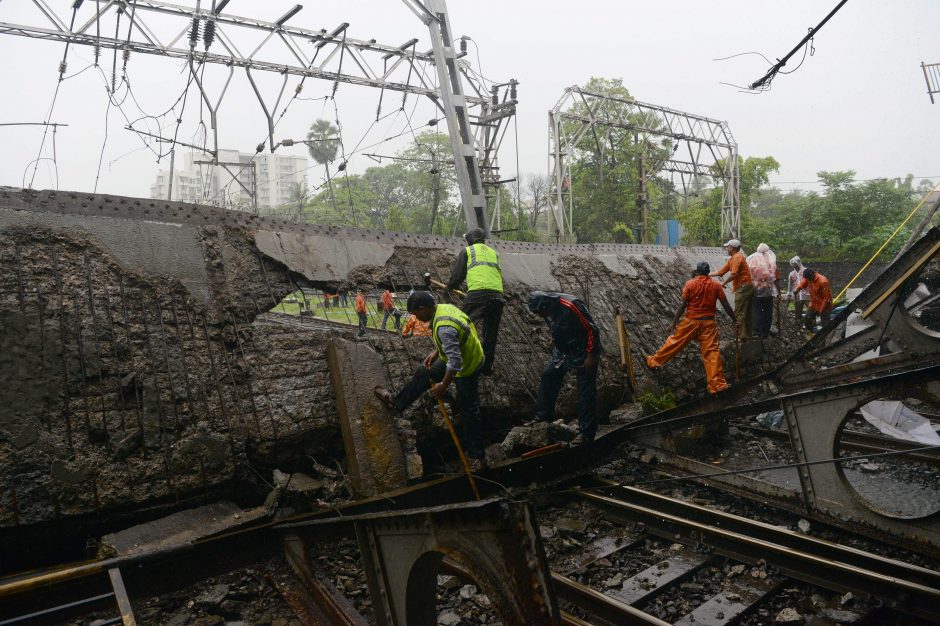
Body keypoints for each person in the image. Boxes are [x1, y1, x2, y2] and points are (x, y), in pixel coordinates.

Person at [373, 291, 487, 470]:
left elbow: (455, 362)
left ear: (423, 308)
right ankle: (397, 401)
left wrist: (443, 385)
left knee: (469, 410)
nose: (416, 318)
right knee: (425, 372)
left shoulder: (443, 327)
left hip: (468, 365)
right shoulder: (443, 309)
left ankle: (477, 457)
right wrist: (436, 353)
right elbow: (452, 343)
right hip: (461, 353)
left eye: (416, 314)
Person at [646, 262, 737, 395]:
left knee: (675, 342)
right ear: (708, 272)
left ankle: (654, 361)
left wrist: (674, 322)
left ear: (697, 271)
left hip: (691, 321)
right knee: (712, 353)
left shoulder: (690, 284)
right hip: (709, 323)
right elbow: (726, 305)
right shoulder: (716, 285)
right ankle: (717, 385)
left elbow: (683, 305)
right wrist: (734, 320)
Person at [526, 291, 603, 446]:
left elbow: (591, 330)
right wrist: (555, 339)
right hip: (563, 350)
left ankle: (586, 434)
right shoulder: (547, 310)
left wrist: (591, 355)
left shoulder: (571, 305)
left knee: (585, 391)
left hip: (583, 349)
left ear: (546, 305)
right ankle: (542, 417)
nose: (541, 316)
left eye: (541, 312)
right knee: (549, 375)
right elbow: (557, 326)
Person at [447, 227, 504, 375]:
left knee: (461, 326)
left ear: (470, 239)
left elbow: (457, 276)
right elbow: (490, 274)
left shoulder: (468, 251)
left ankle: (456, 362)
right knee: (491, 333)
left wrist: (449, 288)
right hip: (497, 296)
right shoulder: (494, 253)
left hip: (478, 294)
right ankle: (486, 368)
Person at [710, 238, 754, 340]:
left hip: (743, 288)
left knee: (739, 312)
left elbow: (734, 274)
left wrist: (724, 283)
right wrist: (706, 274)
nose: (726, 249)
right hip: (746, 287)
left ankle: (741, 337)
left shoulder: (737, 257)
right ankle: (747, 336)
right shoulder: (733, 258)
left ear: (732, 248)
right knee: (746, 312)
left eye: (728, 247)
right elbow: (720, 272)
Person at [747, 243, 781, 339]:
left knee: (756, 311)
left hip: (755, 290)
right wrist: (778, 293)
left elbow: (748, 275)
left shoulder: (752, 259)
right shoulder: (772, 261)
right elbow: (776, 279)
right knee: (767, 312)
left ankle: (756, 332)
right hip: (768, 291)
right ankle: (765, 332)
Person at [785, 256, 810, 322]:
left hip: (807, 294)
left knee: (811, 310)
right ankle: (799, 324)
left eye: (795, 265)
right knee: (798, 312)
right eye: (793, 265)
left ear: (798, 263)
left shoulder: (805, 271)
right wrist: (789, 294)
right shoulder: (792, 274)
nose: (794, 267)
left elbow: (811, 283)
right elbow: (790, 285)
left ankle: (812, 324)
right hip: (797, 295)